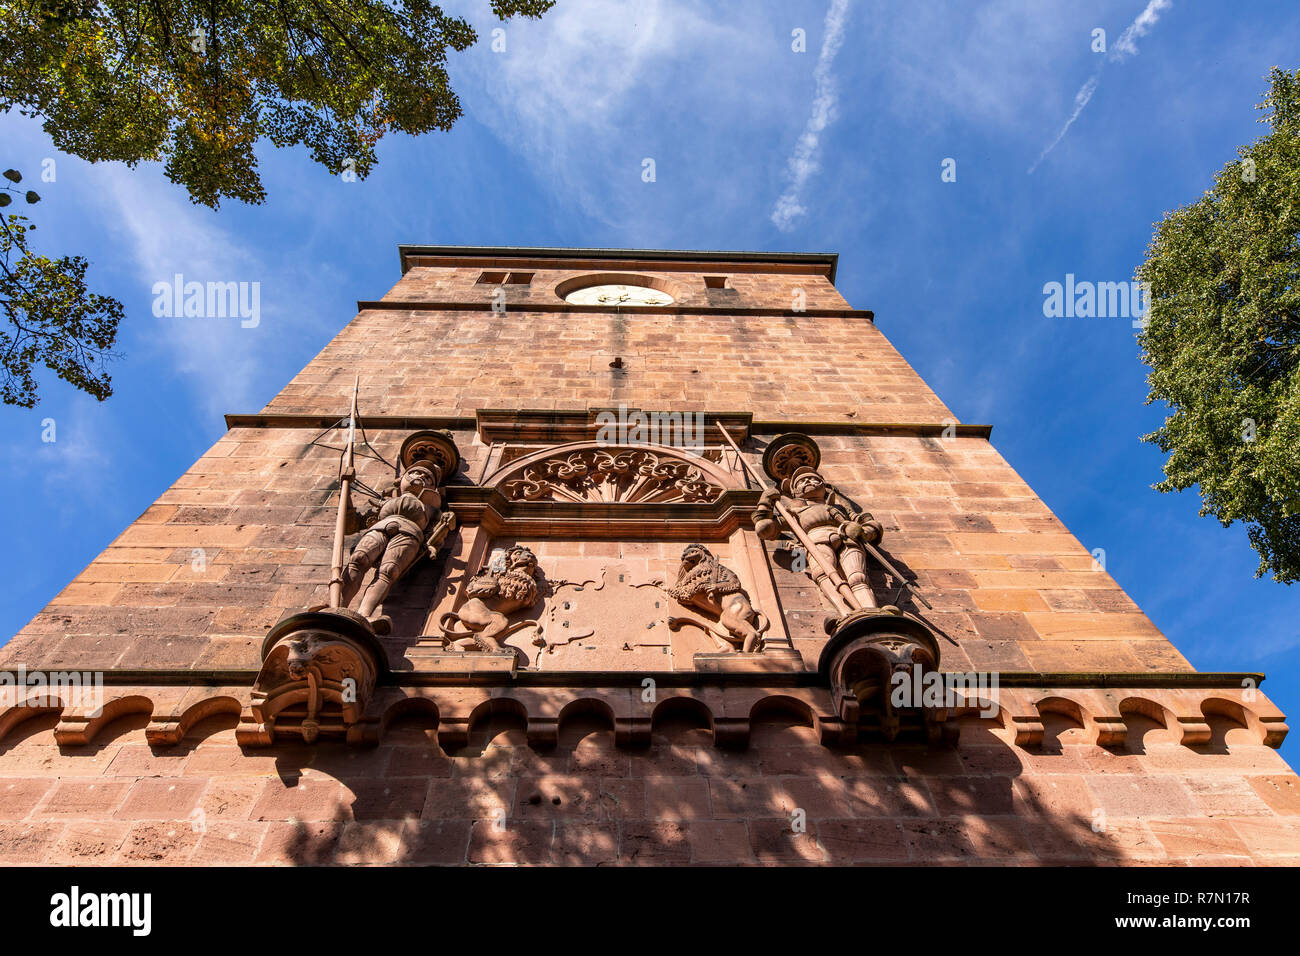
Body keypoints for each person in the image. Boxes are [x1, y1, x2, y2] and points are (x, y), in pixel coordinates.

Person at [752, 465, 883, 613]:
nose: (808, 481)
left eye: (814, 479)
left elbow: (870, 524)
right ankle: (845, 613)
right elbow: (764, 529)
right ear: (795, 491)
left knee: (857, 576)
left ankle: (870, 610)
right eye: (802, 481)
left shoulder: (840, 508)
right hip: (816, 541)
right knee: (824, 575)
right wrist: (765, 502)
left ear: (823, 485)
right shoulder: (794, 513)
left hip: (847, 539)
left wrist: (863, 532)